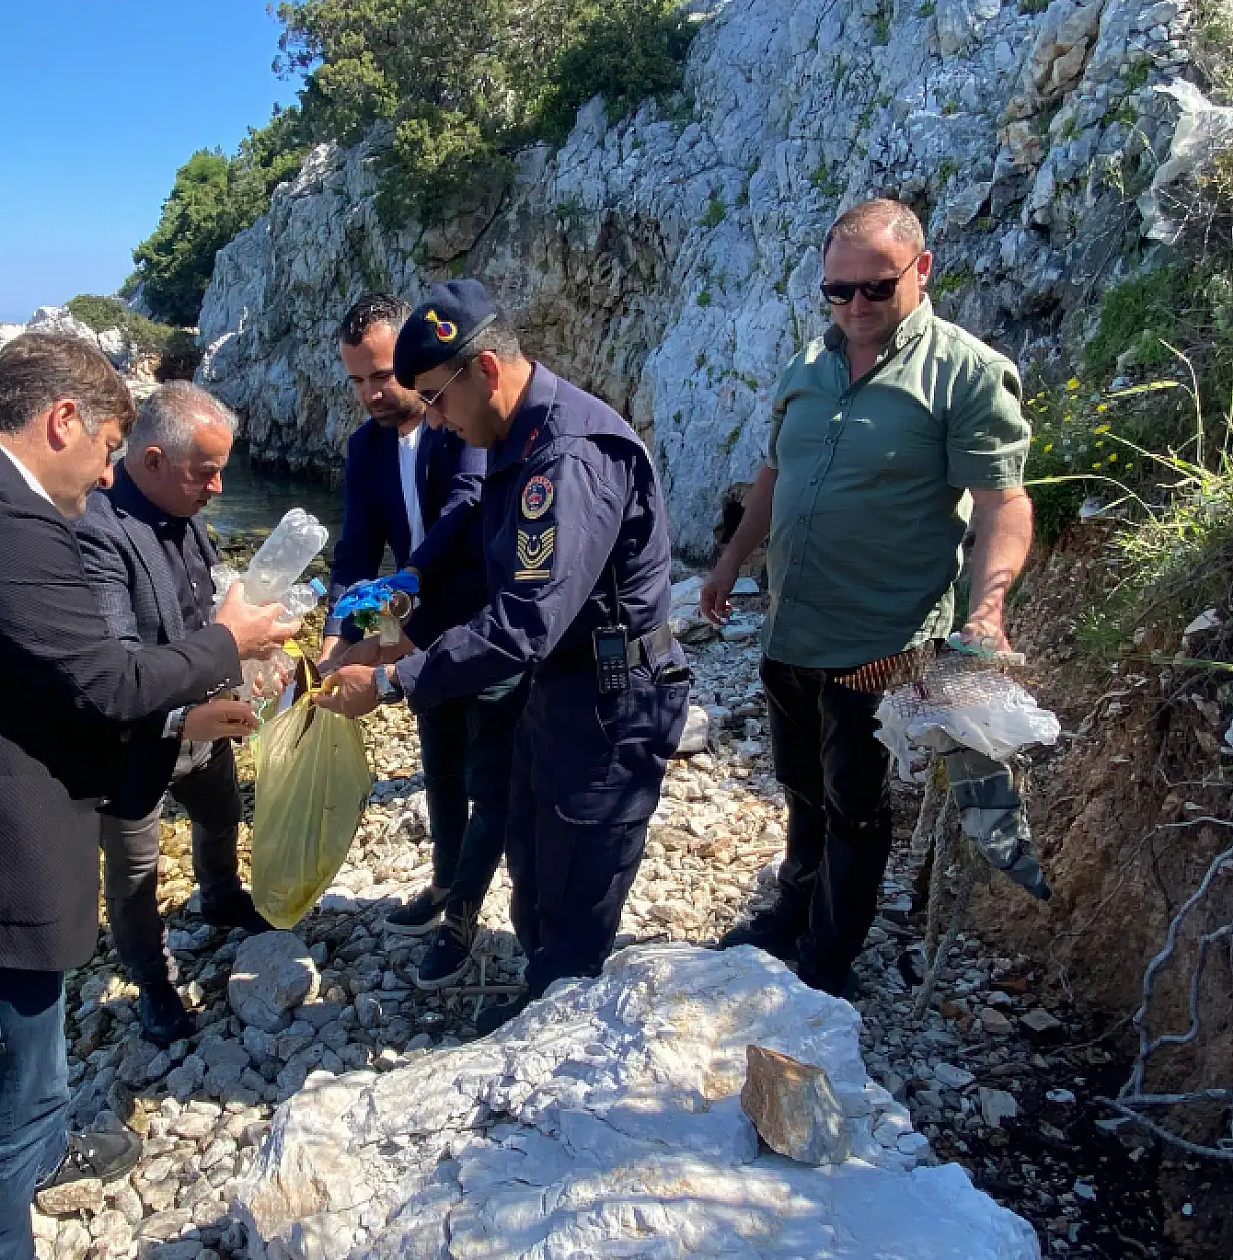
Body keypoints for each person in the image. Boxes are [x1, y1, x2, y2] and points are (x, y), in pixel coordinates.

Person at [0, 334, 299, 1260]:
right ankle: (9, 1193)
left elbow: (48, 686)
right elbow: (106, 684)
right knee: (6, 1098)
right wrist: (227, 639)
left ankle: (48, 1145)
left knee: (24, 1066)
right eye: (111, 447)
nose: (111, 471)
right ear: (64, 420)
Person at [316, 280, 691, 1034]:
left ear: (484, 370)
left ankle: (557, 1038)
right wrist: (388, 626)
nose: (434, 418)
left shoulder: (567, 459)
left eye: (436, 398)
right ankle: (541, 998)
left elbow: (525, 621)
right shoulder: (513, 438)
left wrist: (391, 679)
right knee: (529, 856)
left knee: (578, 890)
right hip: (559, 690)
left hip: (613, 704)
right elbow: (484, 570)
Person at [701, 198, 1033, 999]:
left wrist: (986, 609)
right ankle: (792, 911)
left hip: (881, 639)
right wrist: (730, 560)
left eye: (874, 288)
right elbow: (775, 475)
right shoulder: (807, 369)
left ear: (920, 271)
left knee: (854, 800)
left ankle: (828, 958)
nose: (854, 307)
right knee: (800, 783)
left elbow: (1003, 504)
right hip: (790, 625)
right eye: (837, 290)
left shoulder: (965, 372)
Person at [321, 293, 527, 990]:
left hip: (485, 626)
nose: (372, 393)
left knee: (490, 779)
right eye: (355, 380)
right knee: (438, 762)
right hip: (412, 627)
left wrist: (397, 594)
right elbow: (353, 553)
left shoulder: (459, 426)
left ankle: (466, 917)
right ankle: (444, 883)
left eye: (382, 374)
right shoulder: (364, 448)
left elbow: (465, 511)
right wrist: (338, 633)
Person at [75, 382, 274, 1048]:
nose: (217, 487)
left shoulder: (184, 504)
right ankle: (152, 983)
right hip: (134, 737)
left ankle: (219, 894)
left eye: (221, 471)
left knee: (221, 815)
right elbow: (114, 671)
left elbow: (215, 596)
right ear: (152, 459)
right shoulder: (95, 533)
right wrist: (183, 714)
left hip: (205, 719)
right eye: (206, 472)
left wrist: (254, 651)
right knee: (133, 873)